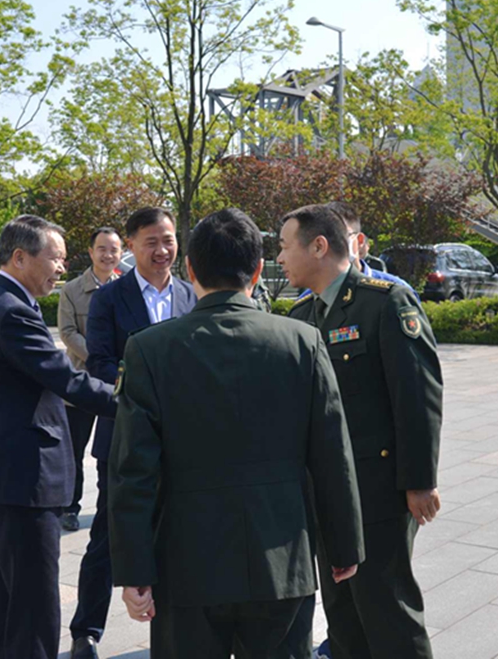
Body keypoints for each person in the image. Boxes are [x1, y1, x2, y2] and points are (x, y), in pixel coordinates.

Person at [108, 208, 365, 658]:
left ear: (190, 268)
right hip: (281, 560)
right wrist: (343, 546)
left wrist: (134, 570)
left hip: (187, 565)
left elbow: (133, 470)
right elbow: (332, 455)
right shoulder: (303, 341)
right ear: (258, 270)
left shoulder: (149, 349)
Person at [277, 203, 443, 659]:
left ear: (319, 246)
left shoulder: (384, 302)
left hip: (377, 490)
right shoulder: (301, 315)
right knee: (343, 618)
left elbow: (417, 396)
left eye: (285, 246)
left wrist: (419, 481)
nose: (280, 258)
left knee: (388, 612)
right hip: (326, 495)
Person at [0, 214, 117, 659]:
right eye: (56, 257)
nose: (62, 267)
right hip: (22, 484)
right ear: (20, 257)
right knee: (33, 614)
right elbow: (68, 380)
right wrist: (140, 404)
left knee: (6, 610)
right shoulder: (11, 311)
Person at [72, 207, 197, 659]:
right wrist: (148, 393)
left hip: (183, 441)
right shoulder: (110, 298)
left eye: (168, 240)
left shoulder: (191, 296)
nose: (162, 250)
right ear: (131, 246)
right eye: (151, 242)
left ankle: (179, 624)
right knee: (109, 535)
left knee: (180, 532)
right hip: (125, 436)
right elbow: (100, 362)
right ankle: (86, 630)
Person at [57, 227, 124, 532]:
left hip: (116, 383)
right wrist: (99, 359)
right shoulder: (72, 290)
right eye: (102, 249)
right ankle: (69, 507)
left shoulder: (126, 287)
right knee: (74, 449)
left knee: (110, 449)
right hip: (81, 382)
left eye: (114, 249)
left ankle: (107, 506)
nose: (108, 255)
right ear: (91, 252)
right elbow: (67, 332)